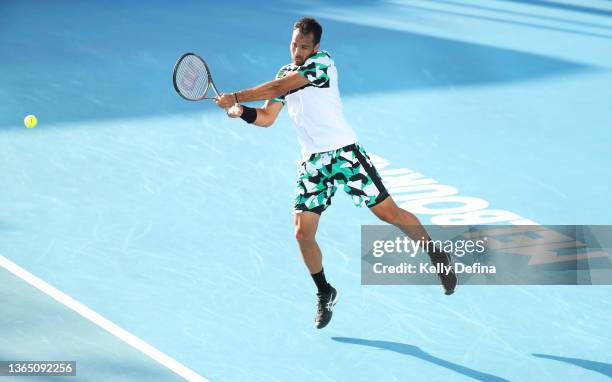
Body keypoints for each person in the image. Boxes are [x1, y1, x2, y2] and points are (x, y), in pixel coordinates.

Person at [215, 17, 457, 329]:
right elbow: (267, 117)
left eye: (304, 46)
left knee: (389, 214)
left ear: (316, 46)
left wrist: (235, 96)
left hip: (344, 154)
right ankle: (324, 291)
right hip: (313, 163)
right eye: (294, 45)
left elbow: (279, 88)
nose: (298, 51)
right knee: (303, 233)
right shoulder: (284, 71)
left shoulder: (322, 63)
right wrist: (243, 112)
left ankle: (437, 255)